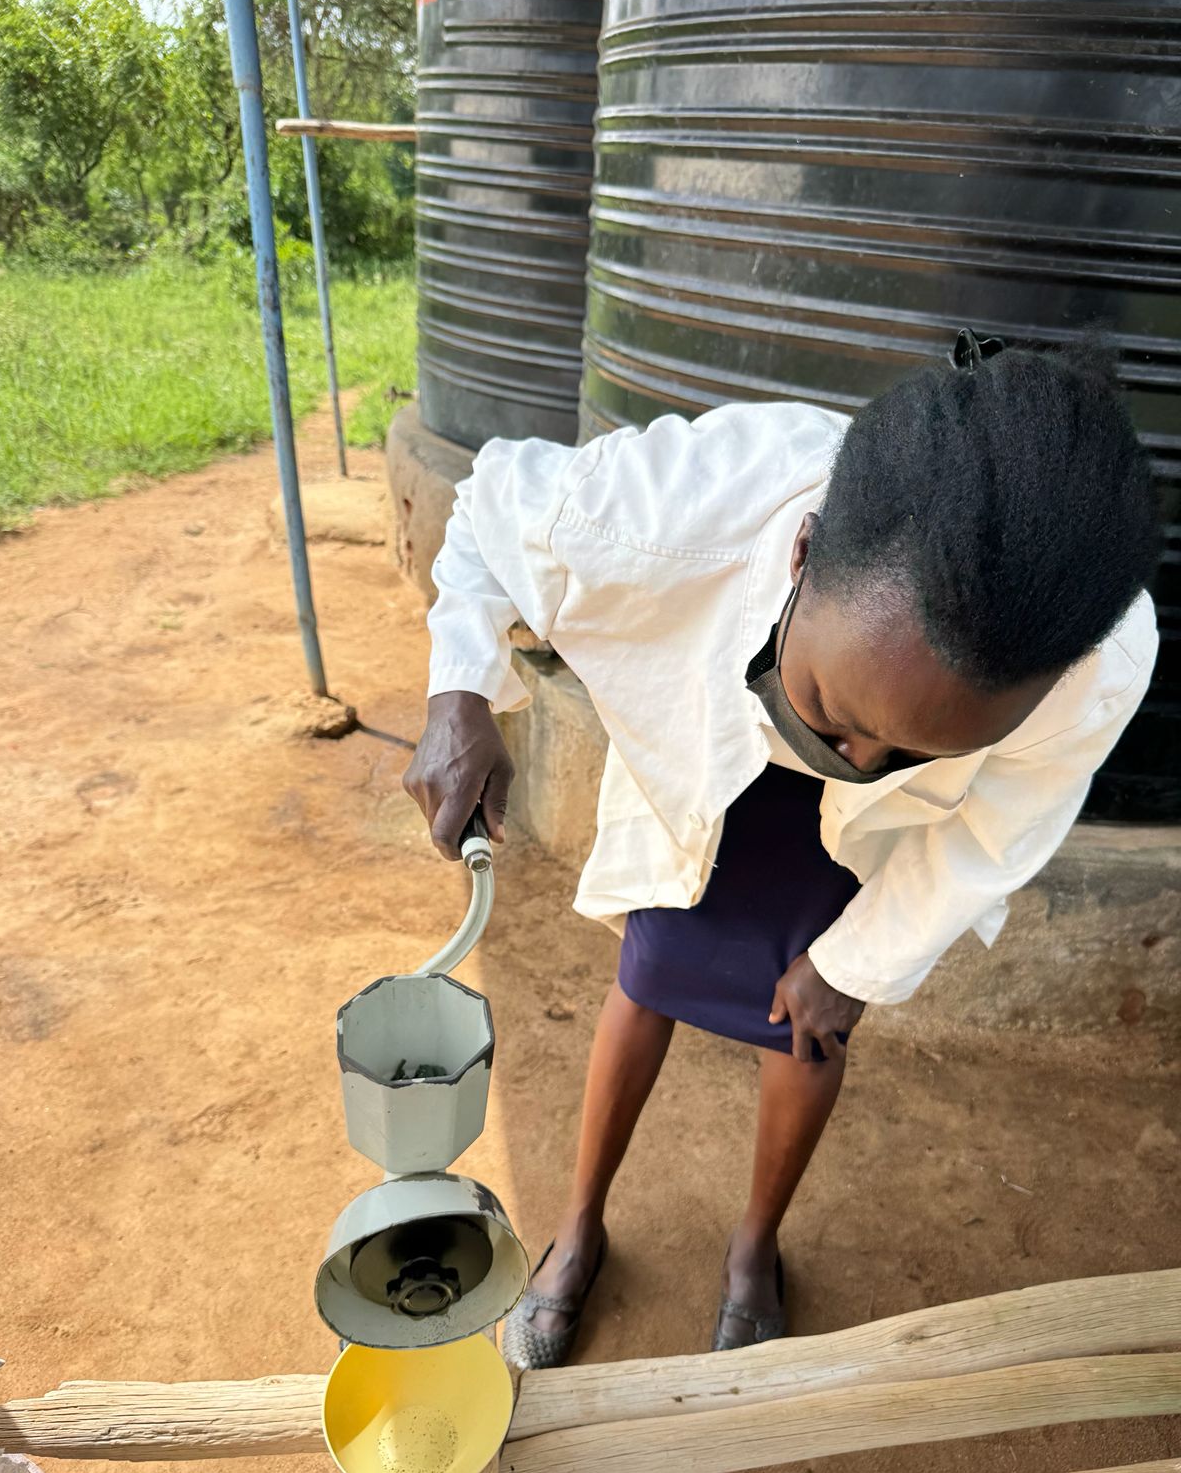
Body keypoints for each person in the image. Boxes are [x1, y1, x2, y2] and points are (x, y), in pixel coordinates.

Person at [403, 333, 1159, 1365]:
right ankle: (578, 1222)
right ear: (802, 552)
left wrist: (855, 963)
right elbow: (489, 510)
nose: (859, 760)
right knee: (651, 971)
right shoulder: (671, 509)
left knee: (809, 1030)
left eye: (916, 746)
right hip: (715, 768)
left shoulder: (1095, 656)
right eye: (839, 718)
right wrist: (461, 689)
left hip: (868, 852)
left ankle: (754, 1245)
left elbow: (991, 831)